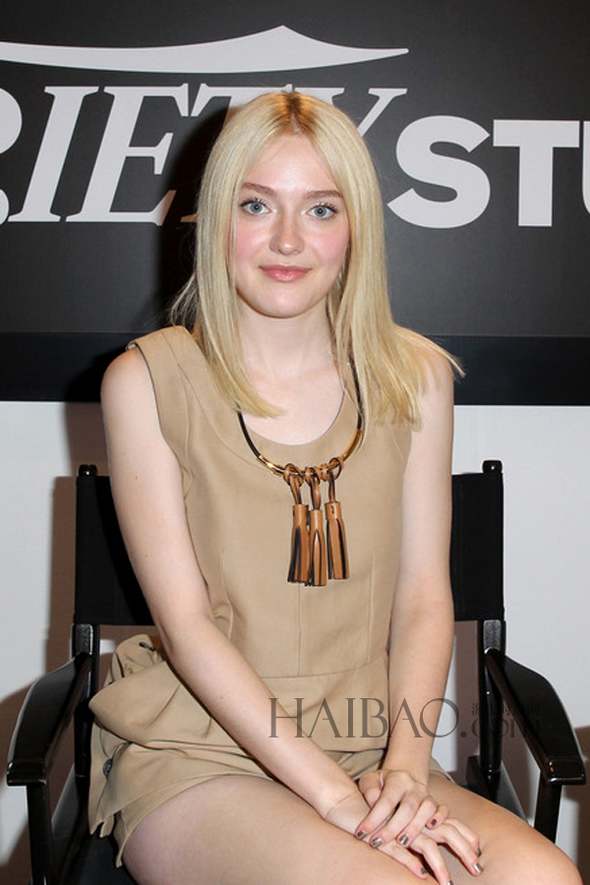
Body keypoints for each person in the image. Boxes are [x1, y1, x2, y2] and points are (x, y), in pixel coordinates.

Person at [88, 91, 582, 885]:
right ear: (217, 217)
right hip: (200, 749)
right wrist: (334, 798)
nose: (287, 239)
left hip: (371, 741)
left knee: (546, 879)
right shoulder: (145, 380)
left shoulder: (413, 375)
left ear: (357, 228)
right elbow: (186, 629)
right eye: (257, 204)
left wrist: (406, 771)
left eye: (320, 209)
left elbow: (424, 597)